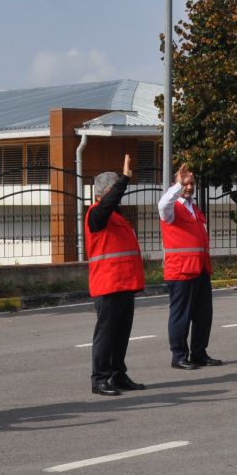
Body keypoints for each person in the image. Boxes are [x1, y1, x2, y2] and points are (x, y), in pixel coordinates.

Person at [86, 153, 146, 396]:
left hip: (125, 284)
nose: (117, 195)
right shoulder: (96, 214)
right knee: (106, 334)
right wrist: (124, 179)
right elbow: (108, 203)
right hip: (108, 284)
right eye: (113, 190)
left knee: (121, 334)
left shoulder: (117, 217)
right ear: (103, 193)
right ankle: (99, 378)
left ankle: (117, 374)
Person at [159, 162, 222, 370]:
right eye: (185, 183)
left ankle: (199, 353)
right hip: (181, 270)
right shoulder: (171, 207)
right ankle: (178, 356)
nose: (189, 186)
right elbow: (163, 204)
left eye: (191, 183)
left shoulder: (194, 208)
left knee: (204, 315)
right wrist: (178, 184)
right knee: (181, 316)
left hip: (200, 269)